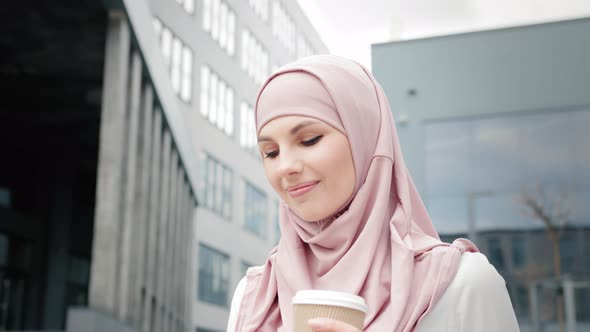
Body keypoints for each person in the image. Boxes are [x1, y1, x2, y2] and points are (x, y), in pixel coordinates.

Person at [227, 55, 519, 332]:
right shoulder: (256, 297)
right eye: (271, 152)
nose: (285, 167)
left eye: (309, 139)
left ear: (364, 138)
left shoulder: (461, 284)